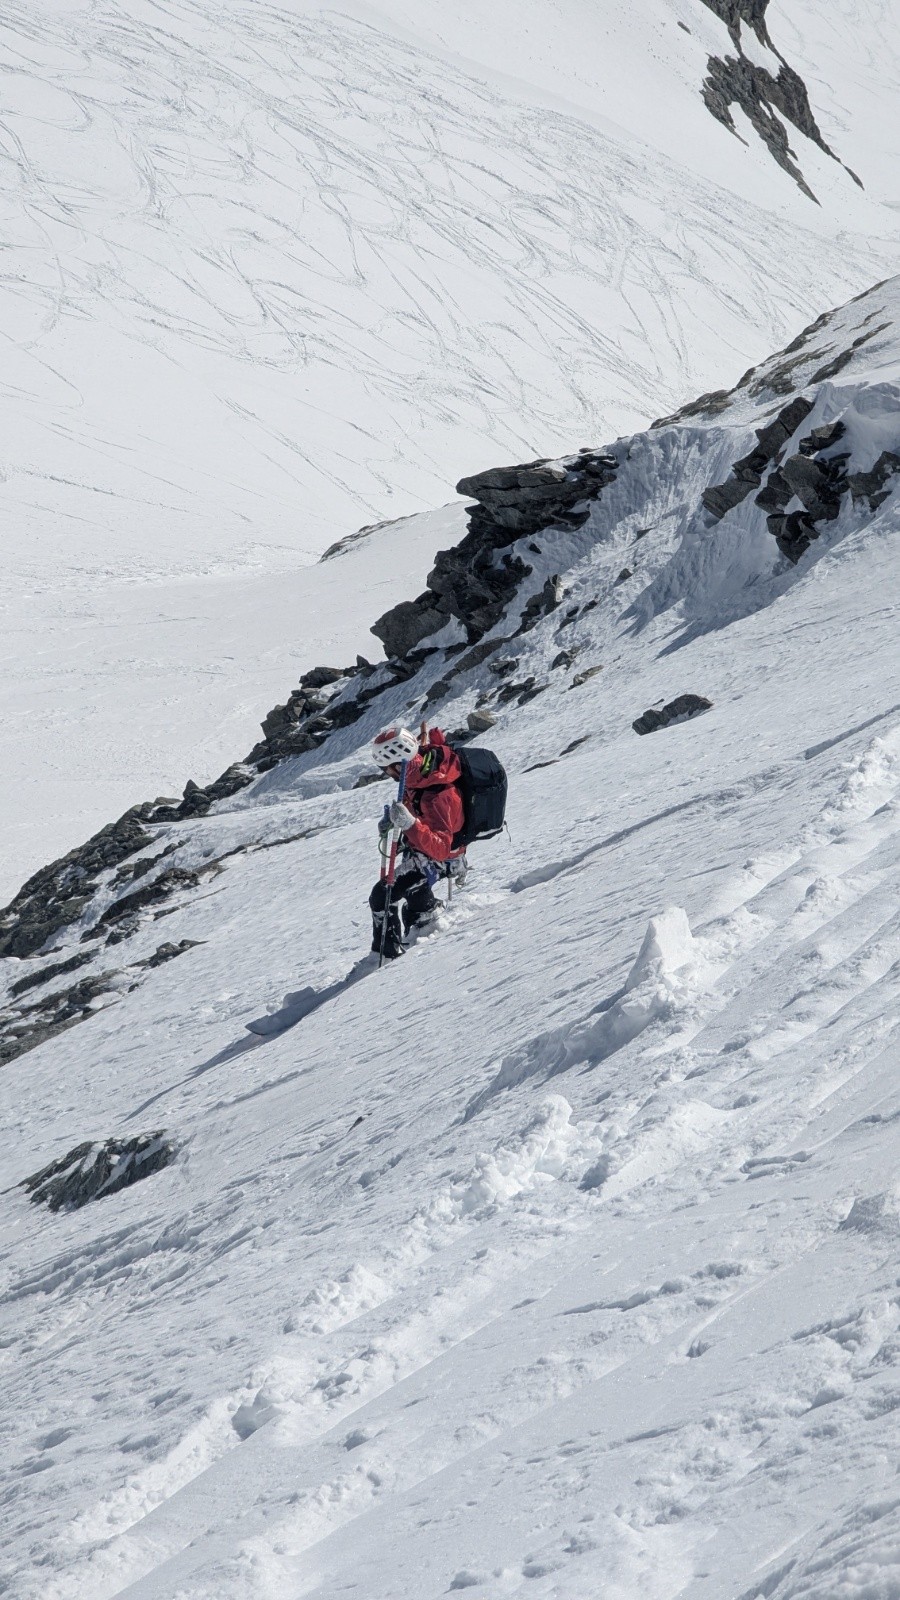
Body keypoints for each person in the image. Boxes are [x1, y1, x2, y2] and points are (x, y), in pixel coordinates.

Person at [369, 725, 467, 959]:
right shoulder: (417, 773)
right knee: (412, 893)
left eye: (386, 770)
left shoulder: (439, 792)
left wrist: (410, 824)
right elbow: (411, 806)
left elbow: (441, 849)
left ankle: (385, 956)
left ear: (395, 764)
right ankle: (425, 922)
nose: (387, 775)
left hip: (442, 859)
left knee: (382, 895)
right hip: (420, 852)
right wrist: (393, 823)